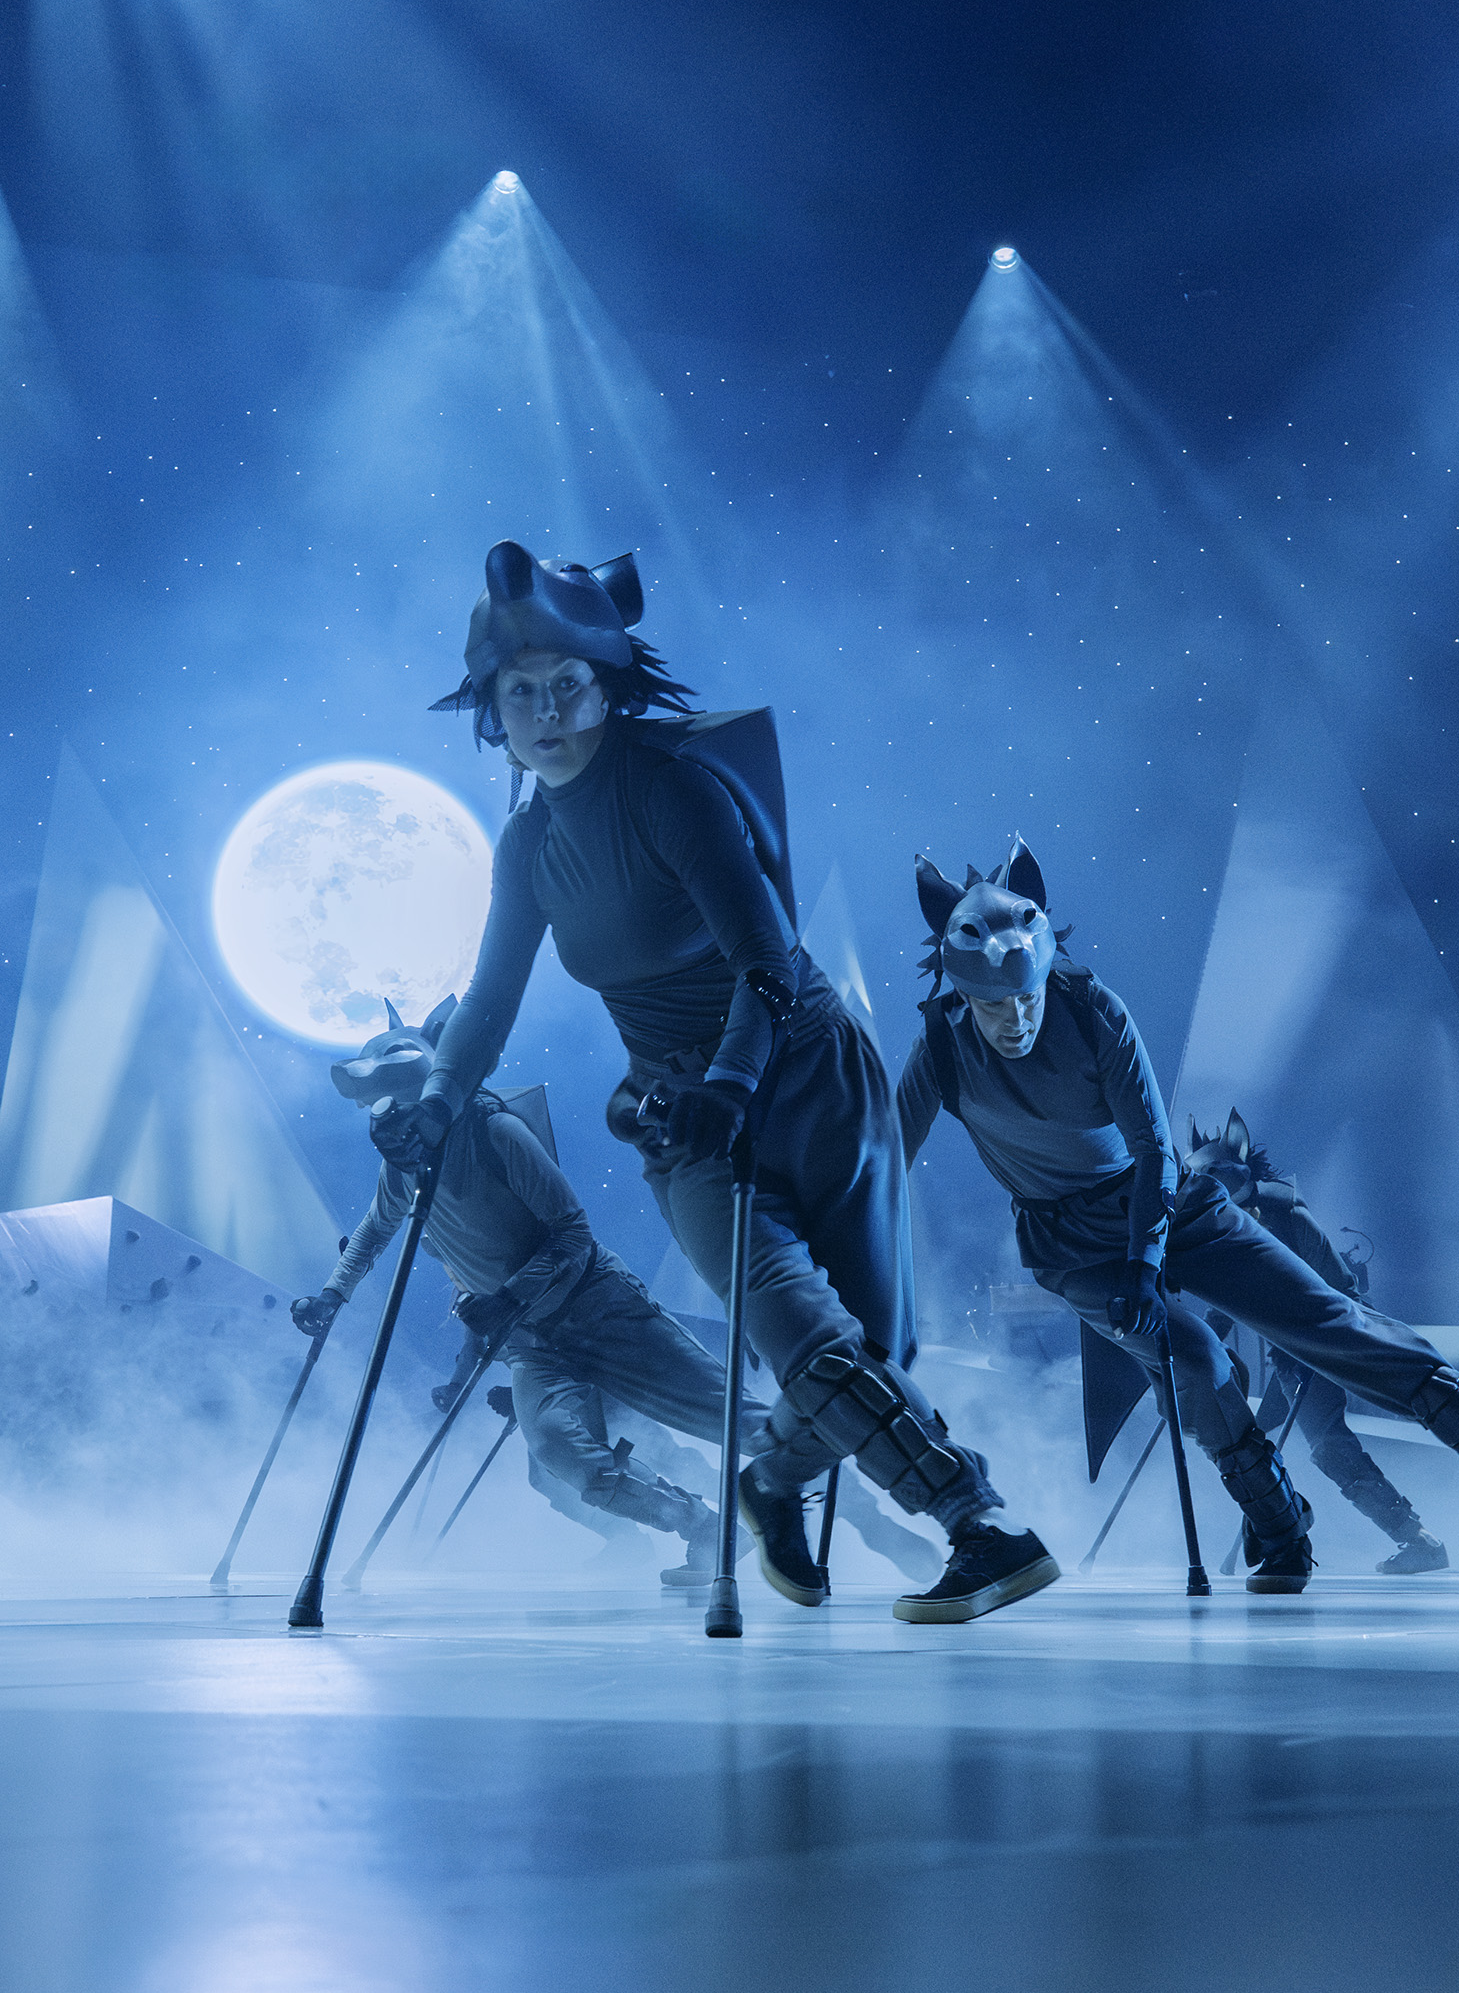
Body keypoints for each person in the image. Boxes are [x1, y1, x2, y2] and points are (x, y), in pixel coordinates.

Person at [385, 540, 1056, 1623]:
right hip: (684, 1119)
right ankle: (978, 1521)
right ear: (490, 711)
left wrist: (735, 1082)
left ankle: (771, 1482)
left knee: (875, 1350)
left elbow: (764, 960)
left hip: (812, 1078)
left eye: (566, 684)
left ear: (606, 685)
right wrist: (434, 1102)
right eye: (520, 692)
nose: (546, 711)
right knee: (806, 1338)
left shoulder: (674, 791)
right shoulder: (526, 847)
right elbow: (488, 1003)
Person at [897, 846, 1459, 1585]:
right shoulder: (938, 1046)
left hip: (1171, 1208)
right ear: (960, 989)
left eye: (1027, 995)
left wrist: (1145, 1263)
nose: (1016, 1017)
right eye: (994, 1004)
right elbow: (883, 1157)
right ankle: (1283, 1526)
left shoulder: (1094, 1010)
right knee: (1196, 1365)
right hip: (1072, 1247)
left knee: (1337, 1327)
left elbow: (1154, 1149)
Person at [300, 1003, 749, 1588]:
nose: (384, 1125)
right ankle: (703, 1527)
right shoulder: (405, 1168)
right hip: (532, 1340)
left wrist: (509, 1299)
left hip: (595, 1305)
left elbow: (573, 1232)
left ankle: (821, 1472)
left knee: (725, 1411)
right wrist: (332, 1296)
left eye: (393, 1106)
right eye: (375, 1111)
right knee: (559, 1457)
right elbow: (375, 1232)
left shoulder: (496, 1131)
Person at [1179, 1110, 1450, 1574]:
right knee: (1245, 1443)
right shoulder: (1221, 1221)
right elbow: (1230, 1294)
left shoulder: (1286, 1214)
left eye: (1215, 1172)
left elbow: (1341, 1288)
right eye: (1200, 1174)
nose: (1206, 1182)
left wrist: (1325, 1349)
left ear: (1238, 1169)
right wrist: (1202, 1345)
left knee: (1328, 1446)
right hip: (1287, 1354)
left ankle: (1417, 1539)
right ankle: (1277, 1532)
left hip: (1318, 1348)